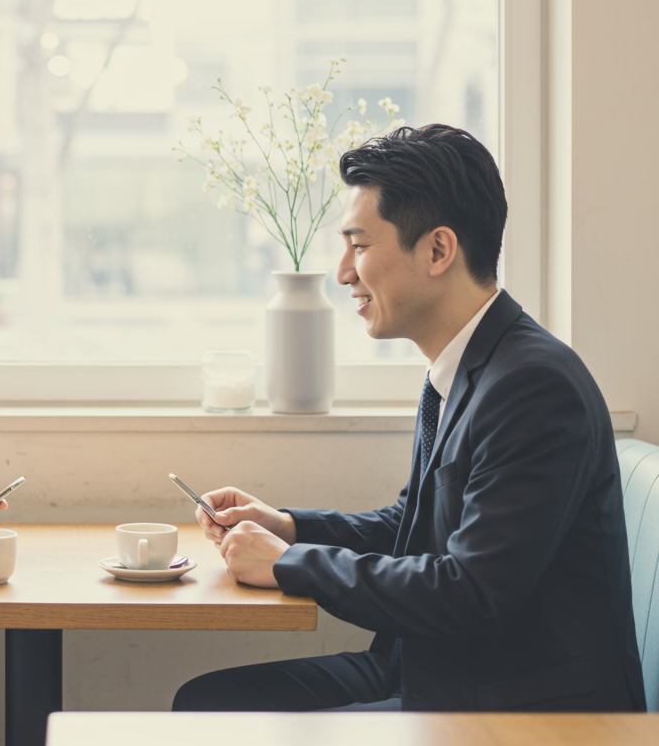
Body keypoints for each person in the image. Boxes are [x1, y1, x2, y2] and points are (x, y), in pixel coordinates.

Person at [172, 125, 645, 713]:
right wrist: (288, 528)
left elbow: (471, 592)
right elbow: (412, 525)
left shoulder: (534, 387)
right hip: (429, 670)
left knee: (217, 718)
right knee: (208, 701)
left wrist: (290, 564)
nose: (343, 273)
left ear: (438, 251)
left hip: (513, 708)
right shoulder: (467, 367)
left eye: (360, 246)